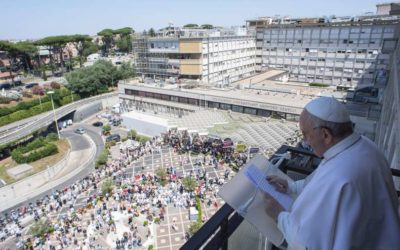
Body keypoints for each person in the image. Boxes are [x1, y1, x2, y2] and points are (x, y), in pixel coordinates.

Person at [265, 96, 400, 249]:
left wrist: (279, 215)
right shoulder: (364, 146)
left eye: (305, 134)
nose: (304, 142)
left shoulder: (339, 175)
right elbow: (318, 184)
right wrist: (291, 187)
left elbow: (307, 243)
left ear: (326, 135)